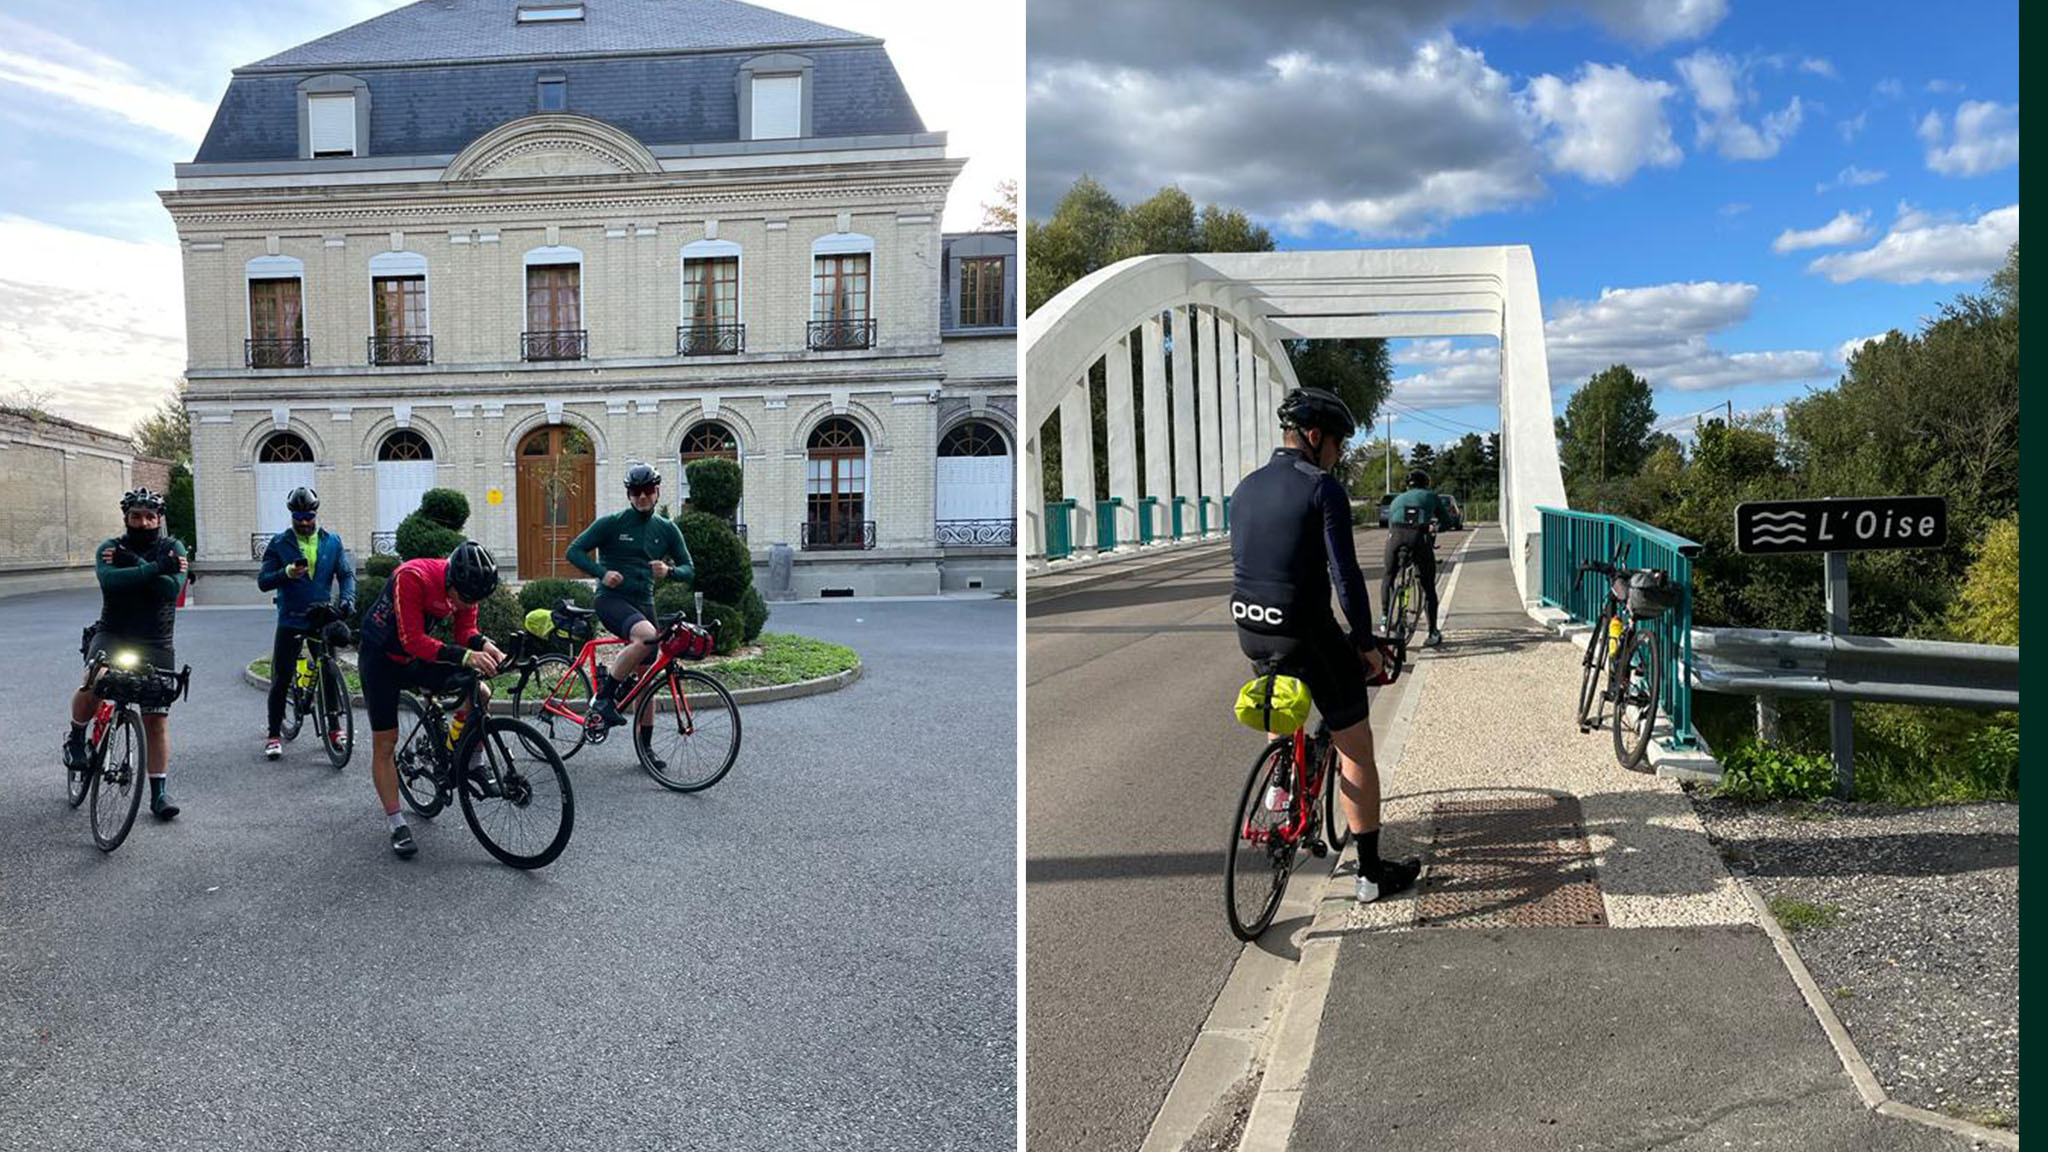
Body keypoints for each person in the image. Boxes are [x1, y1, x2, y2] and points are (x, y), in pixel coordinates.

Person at [1227, 388, 1422, 903]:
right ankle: (1371, 875)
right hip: (1304, 630)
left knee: (1282, 693)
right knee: (1357, 748)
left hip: (1251, 626)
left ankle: (1282, 784)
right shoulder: (1321, 488)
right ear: (1315, 437)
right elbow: (1346, 575)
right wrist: (1366, 644)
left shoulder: (1244, 488)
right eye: (1337, 444)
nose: (1337, 455)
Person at [356, 541, 506, 859]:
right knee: (385, 744)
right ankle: (396, 823)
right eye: (465, 598)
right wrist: (467, 656)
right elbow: (412, 640)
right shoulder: (412, 577)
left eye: (476, 599)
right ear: (450, 581)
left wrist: (485, 644)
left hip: (416, 655)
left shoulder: (468, 586)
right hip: (381, 659)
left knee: (479, 693)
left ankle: (472, 765)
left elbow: (466, 629)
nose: (469, 603)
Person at [65, 488, 188, 820]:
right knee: (96, 679)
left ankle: (159, 794)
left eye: (150, 517)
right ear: (126, 518)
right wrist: (154, 568)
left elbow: (171, 589)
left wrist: (132, 566)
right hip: (113, 633)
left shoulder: (172, 547)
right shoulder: (109, 547)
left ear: (159, 519)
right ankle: (76, 737)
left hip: (156, 641)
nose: (143, 522)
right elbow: (110, 582)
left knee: (156, 718)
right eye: (136, 516)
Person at [566, 463, 695, 728]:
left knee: (646, 679)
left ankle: (646, 748)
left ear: (657, 491)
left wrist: (669, 571)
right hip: (611, 600)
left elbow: (689, 569)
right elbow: (574, 551)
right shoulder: (612, 524)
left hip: (645, 604)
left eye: (648, 490)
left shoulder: (667, 529)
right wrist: (602, 573)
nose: (642, 496)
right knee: (647, 637)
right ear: (629, 495)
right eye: (636, 491)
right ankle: (604, 699)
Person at [255, 486, 355, 760]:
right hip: (291, 618)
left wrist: (347, 600)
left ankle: (334, 729)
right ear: (291, 516)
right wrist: (286, 572)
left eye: (308, 516)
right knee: (281, 677)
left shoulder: (331, 541)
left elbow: (346, 575)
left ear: (315, 514)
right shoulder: (279, 544)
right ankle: (274, 733)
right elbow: (264, 582)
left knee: (328, 674)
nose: (304, 522)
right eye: (298, 517)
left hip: (320, 617)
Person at [1382, 468, 1451, 649]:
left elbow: (1390, 524)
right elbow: (1447, 522)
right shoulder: (1431, 496)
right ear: (1425, 484)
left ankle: (1384, 619)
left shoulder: (1397, 499)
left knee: (1389, 575)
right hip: (1418, 538)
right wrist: (1435, 528)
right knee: (1428, 586)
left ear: (1407, 485)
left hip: (1395, 537)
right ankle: (1433, 632)